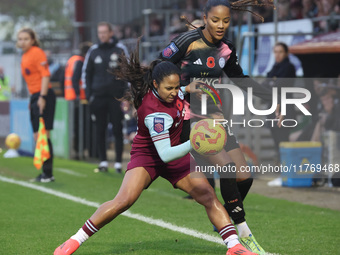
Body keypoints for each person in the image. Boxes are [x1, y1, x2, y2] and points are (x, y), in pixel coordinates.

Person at [54, 49, 257, 255]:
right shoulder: (156, 114)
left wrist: (187, 88)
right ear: (155, 85)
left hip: (175, 153)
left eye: (177, 86)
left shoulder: (171, 92)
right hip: (149, 156)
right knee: (123, 201)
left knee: (207, 194)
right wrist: (196, 142)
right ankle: (73, 241)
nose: (174, 91)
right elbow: (165, 155)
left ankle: (234, 246)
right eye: (169, 88)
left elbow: (176, 94)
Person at [160, 1, 279, 254]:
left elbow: (240, 78)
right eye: (215, 20)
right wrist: (180, 91)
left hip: (216, 118)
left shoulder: (227, 49)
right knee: (226, 168)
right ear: (205, 18)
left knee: (244, 176)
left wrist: (271, 98)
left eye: (225, 21)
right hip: (190, 119)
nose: (221, 25)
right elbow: (158, 70)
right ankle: (242, 233)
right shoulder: (186, 42)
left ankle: (222, 218)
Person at [83, 21, 129, 173]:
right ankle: (102, 162)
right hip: (98, 97)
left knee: (117, 129)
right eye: (100, 32)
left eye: (104, 32)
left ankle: (117, 163)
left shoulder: (120, 49)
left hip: (116, 97)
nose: (102, 35)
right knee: (100, 130)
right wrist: (89, 95)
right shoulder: (93, 51)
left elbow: (128, 72)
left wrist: (126, 95)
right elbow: (86, 74)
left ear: (111, 33)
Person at [16, 28, 56, 182]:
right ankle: (45, 172)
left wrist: (42, 97)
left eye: (26, 38)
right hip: (35, 96)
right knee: (37, 135)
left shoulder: (36, 52)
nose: (23, 41)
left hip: (43, 94)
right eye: (20, 39)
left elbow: (45, 75)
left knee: (43, 134)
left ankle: (48, 173)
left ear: (32, 40)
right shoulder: (24, 55)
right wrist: (33, 99)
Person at [264, 42, 296, 159]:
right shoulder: (274, 67)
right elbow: (265, 85)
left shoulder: (289, 67)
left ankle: (287, 168)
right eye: (275, 52)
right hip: (272, 109)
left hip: (284, 109)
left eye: (280, 52)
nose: (277, 55)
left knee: (283, 140)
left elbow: (278, 86)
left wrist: (272, 82)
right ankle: (283, 169)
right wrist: (273, 81)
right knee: (277, 142)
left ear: (286, 53)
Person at [64, 41, 93, 159]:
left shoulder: (72, 59)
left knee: (75, 127)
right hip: (78, 100)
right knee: (80, 127)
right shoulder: (81, 62)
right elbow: (75, 79)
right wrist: (77, 94)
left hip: (70, 97)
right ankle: (79, 151)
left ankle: (76, 151)